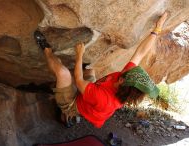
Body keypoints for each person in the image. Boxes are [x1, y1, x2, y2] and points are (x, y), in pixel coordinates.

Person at [34, 12, 168, 128]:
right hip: (90, 97)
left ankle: (47, 50)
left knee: (63, 73)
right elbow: (140, 54)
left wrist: (79, 55)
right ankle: (77, 103)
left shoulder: (105, 99)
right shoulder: (127, 83)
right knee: (90, 71)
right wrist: (157, 29)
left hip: (73, 104)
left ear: (122, 80)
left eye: (128, 73)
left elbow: (79, 80)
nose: (129, 69)